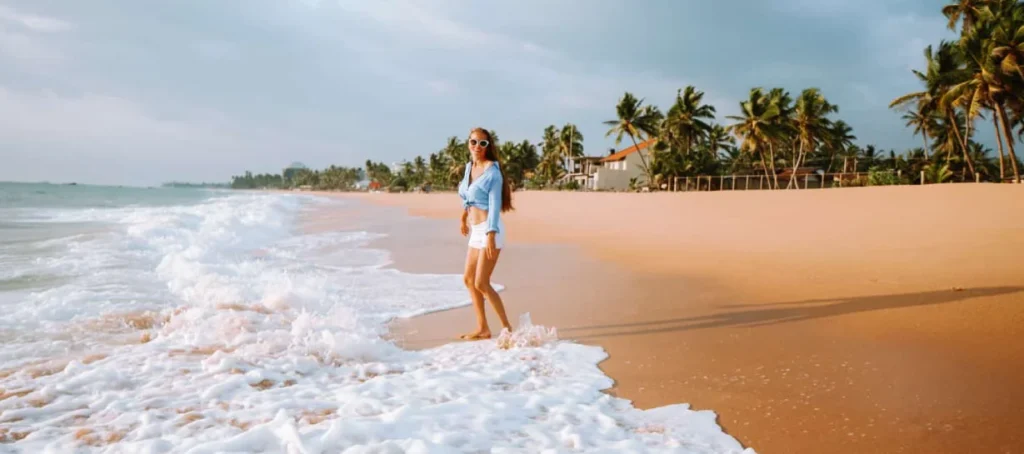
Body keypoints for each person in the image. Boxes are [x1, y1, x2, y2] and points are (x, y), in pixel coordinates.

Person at [456, 127, 514, 340]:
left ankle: (507, 329)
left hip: (491, 229)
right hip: (476, 231)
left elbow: (494, 203)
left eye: (483, 143)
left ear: (489, 146)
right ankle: (483, 328)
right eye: (474, 142)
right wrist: (464, 217)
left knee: (481, 282)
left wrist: (491, 233)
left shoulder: (492, 172)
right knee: (468, 280)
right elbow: (467, 196)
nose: (477, 147)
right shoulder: (469, 167)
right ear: (468, 143)